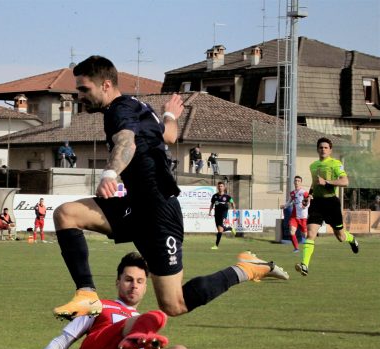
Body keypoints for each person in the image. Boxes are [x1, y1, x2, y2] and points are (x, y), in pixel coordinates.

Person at [52, 56, 289, 321]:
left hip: (158, 213)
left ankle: (246, 269)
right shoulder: (138, 108)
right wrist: (168, 115)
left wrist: (110, 173)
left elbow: (126, 142)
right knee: (66, 214)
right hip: (136, 206)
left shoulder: (119, 111)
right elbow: (169, 136)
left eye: (85, 89)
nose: (80, 96)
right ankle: (86, 294)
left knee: (174, 305)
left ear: (106, 85)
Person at [4, 252, 229, 349]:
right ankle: (126, 342)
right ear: (117, 282)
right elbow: (65, 339)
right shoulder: (98, 305)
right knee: (157, 317)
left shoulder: (143, 321)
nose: (134, 286)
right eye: (129, 280)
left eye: (140, 281)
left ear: (146, 286)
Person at [295, 137, 359, 277]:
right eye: (321, 147)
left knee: (340, 237)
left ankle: (352, 239)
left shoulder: (336, 164)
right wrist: (308, 196)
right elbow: (314, 183)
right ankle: (305, 265)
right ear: (317, 149)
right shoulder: (313, 165)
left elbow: (345, 181)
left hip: (331, 204)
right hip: (317, 203)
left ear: (330, 150)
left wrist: (327, 182)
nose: (323, 149)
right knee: (310, 234)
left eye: (326, 147)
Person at [280, 176, 309, 252]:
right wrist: (285, 205)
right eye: (295, 180)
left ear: (301, 182)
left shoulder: (304, 192)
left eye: (298, 181)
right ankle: (296, 248)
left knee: (305, 235)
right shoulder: (292, 193)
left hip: (303, 216)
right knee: (292, 231)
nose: (297, 182)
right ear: (294, 182)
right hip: (294, 216)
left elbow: (308, 200)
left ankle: (309, 246)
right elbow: (289, 201)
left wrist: (305, 206)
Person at [208, 181, 236, 250]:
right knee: (220, 229)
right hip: (216, 214)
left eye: (221, 186)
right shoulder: (214, 196)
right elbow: (212, 204)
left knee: (220, 230)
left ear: (224, 187)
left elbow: (232, 202)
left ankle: (216, 246)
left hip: (223, 214)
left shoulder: (227, 196)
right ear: (217, 187)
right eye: (219, 186)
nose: (220, 187)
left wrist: (234, 208)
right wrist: (210, 211)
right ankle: (230, 228)